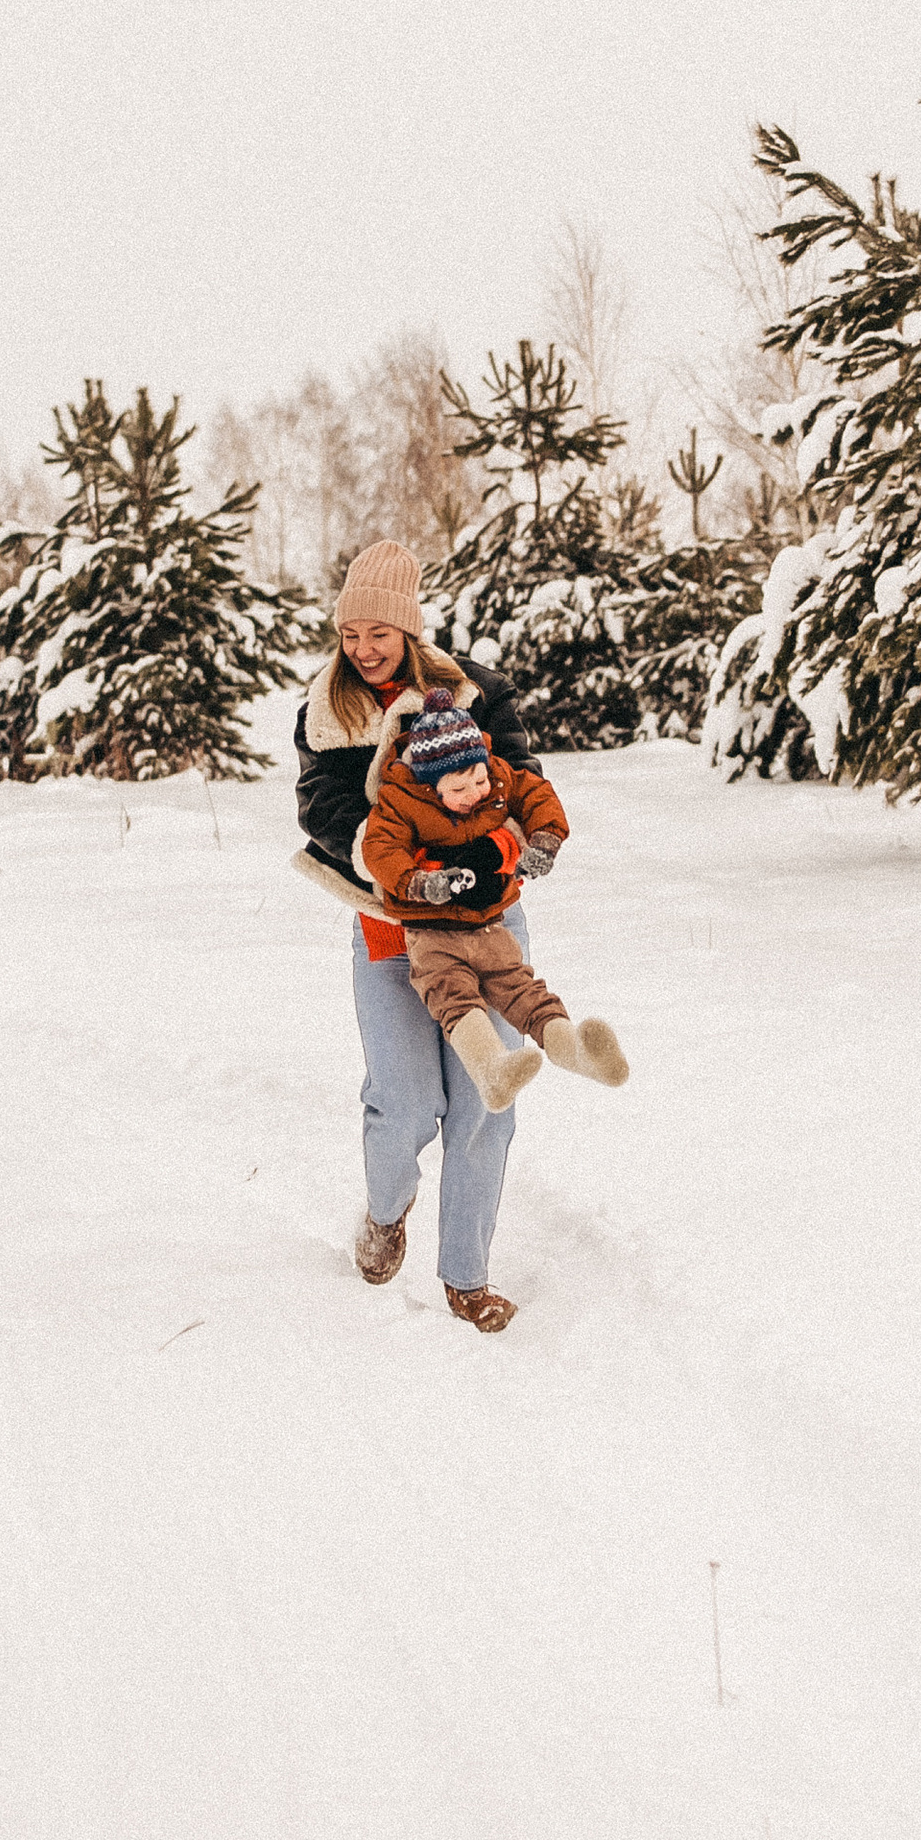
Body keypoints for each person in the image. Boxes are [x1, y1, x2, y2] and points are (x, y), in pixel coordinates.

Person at [293, 542, 553, 1334]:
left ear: (409, 630)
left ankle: (467, 1278)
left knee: (483, 1097)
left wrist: (512, 843)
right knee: (406, 1104)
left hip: (483, 922)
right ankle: (384, 1210)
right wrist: (406, 865)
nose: (365, 651)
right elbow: (322, 810)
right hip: (391, 928)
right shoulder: (329, 710)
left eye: (380, 633)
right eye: (351, 636)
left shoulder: (471, 691)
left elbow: (519, 777)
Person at [359, 690, 630, 1112]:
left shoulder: (497, 774)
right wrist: (416, 881)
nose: (475, 793)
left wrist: (545, 838)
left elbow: (537, 795)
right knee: (454, 998)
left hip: (489, 925)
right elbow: (380, 849)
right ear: (430, 785)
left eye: (480, 780)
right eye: (459, 788)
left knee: (525, 993)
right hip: (433, 935)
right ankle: (492, 1070)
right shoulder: (402, 799)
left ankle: (576, 1050)